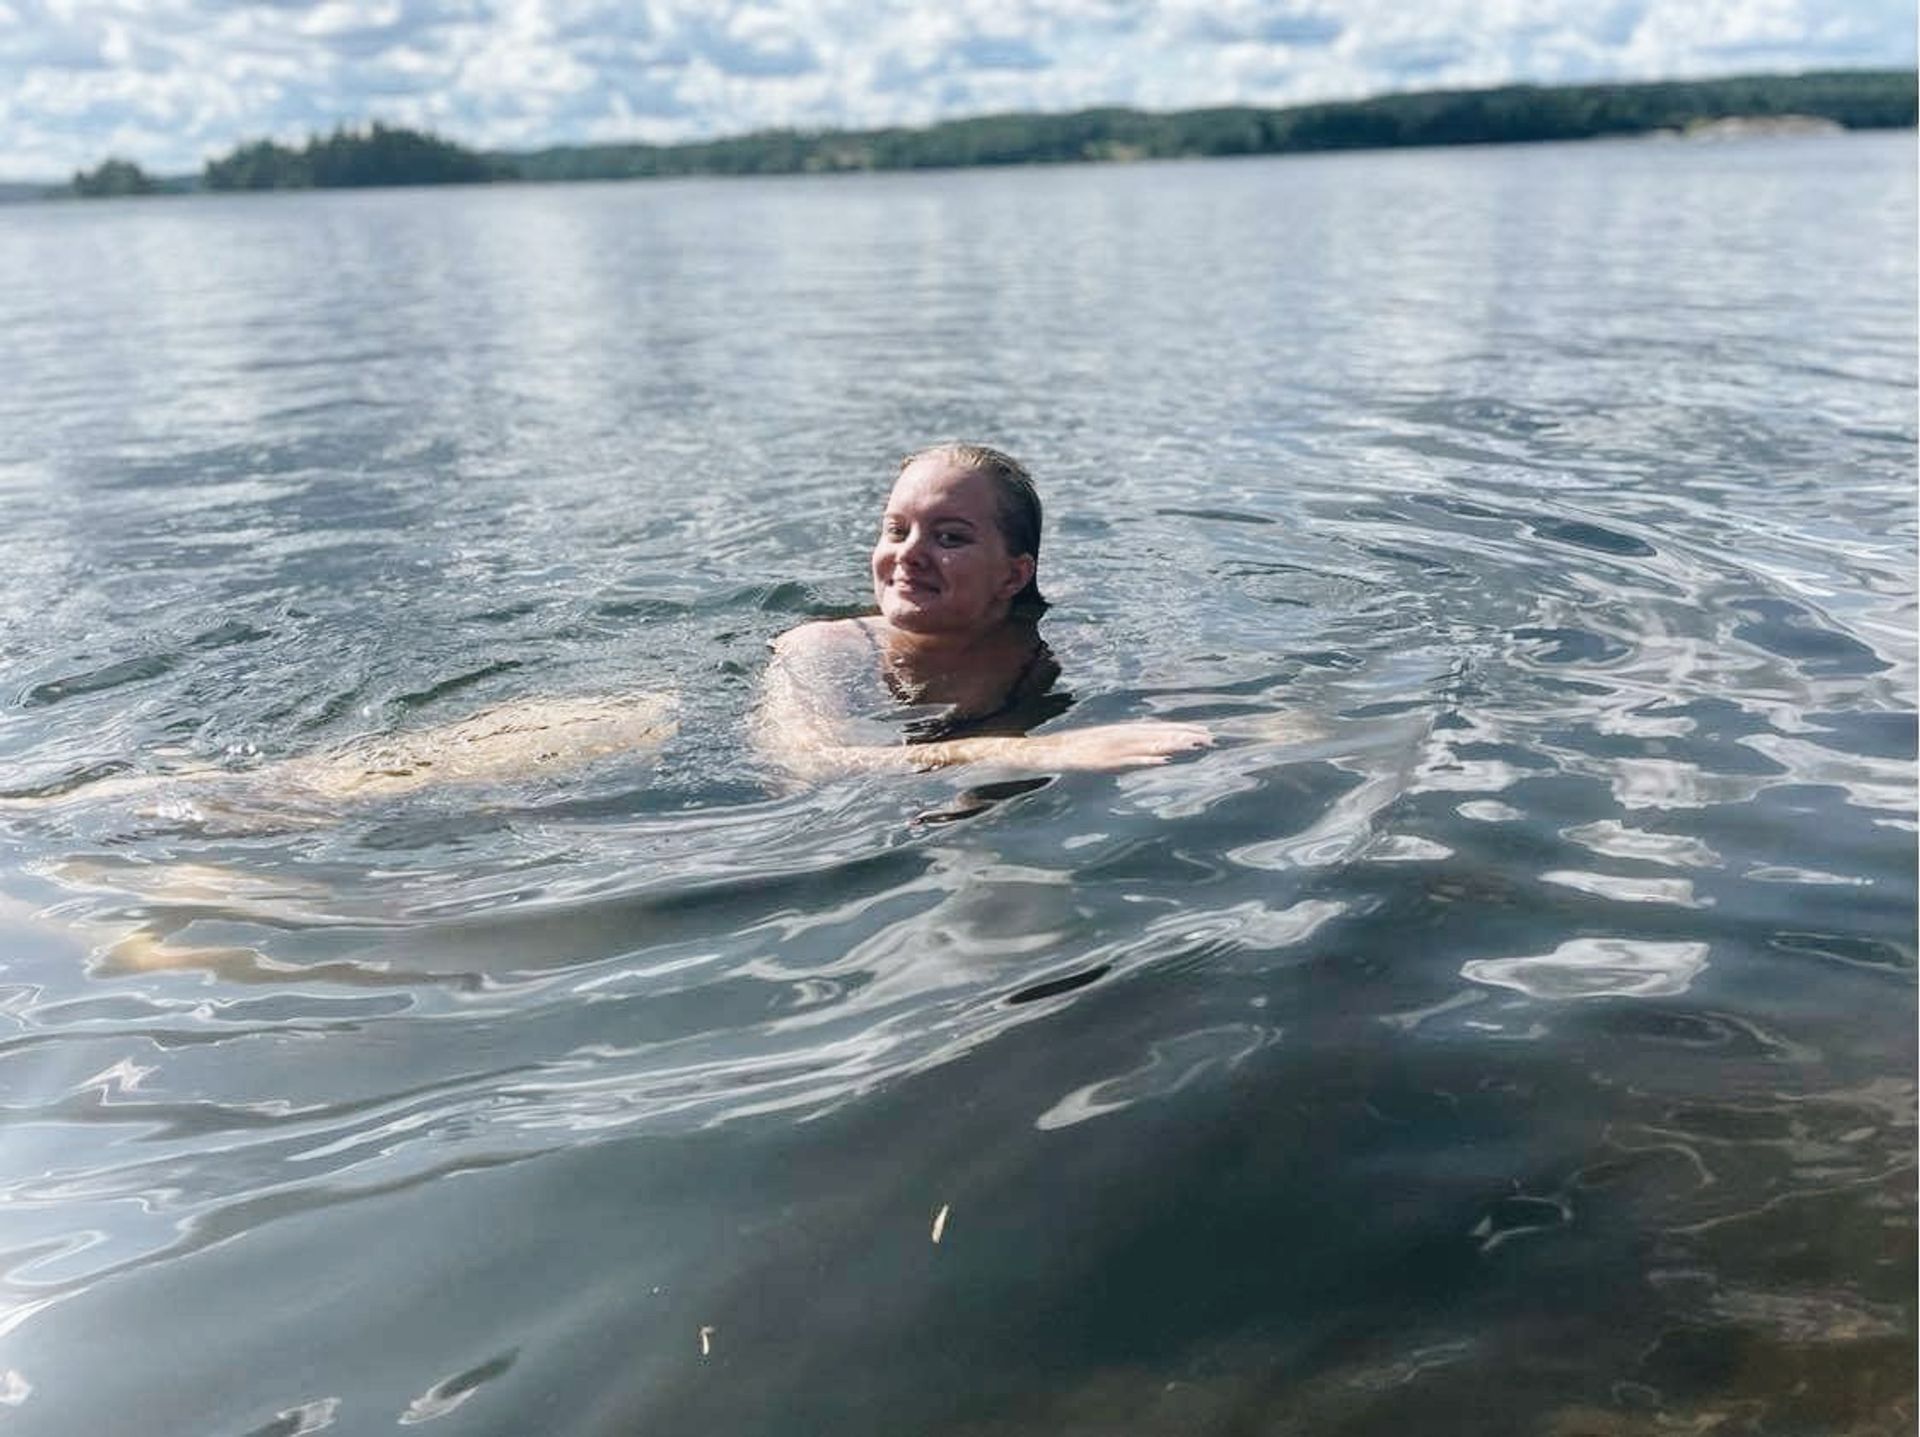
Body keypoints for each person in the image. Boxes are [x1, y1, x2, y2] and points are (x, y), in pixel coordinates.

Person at [755, 442, 1211, 777]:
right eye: (896, 531)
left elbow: (1203, 715)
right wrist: (1037, 752)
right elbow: (806, 762)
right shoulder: (824, 649)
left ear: (1013, 576)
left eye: (949, 537)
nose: (908, 554)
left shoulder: (1065, 656)